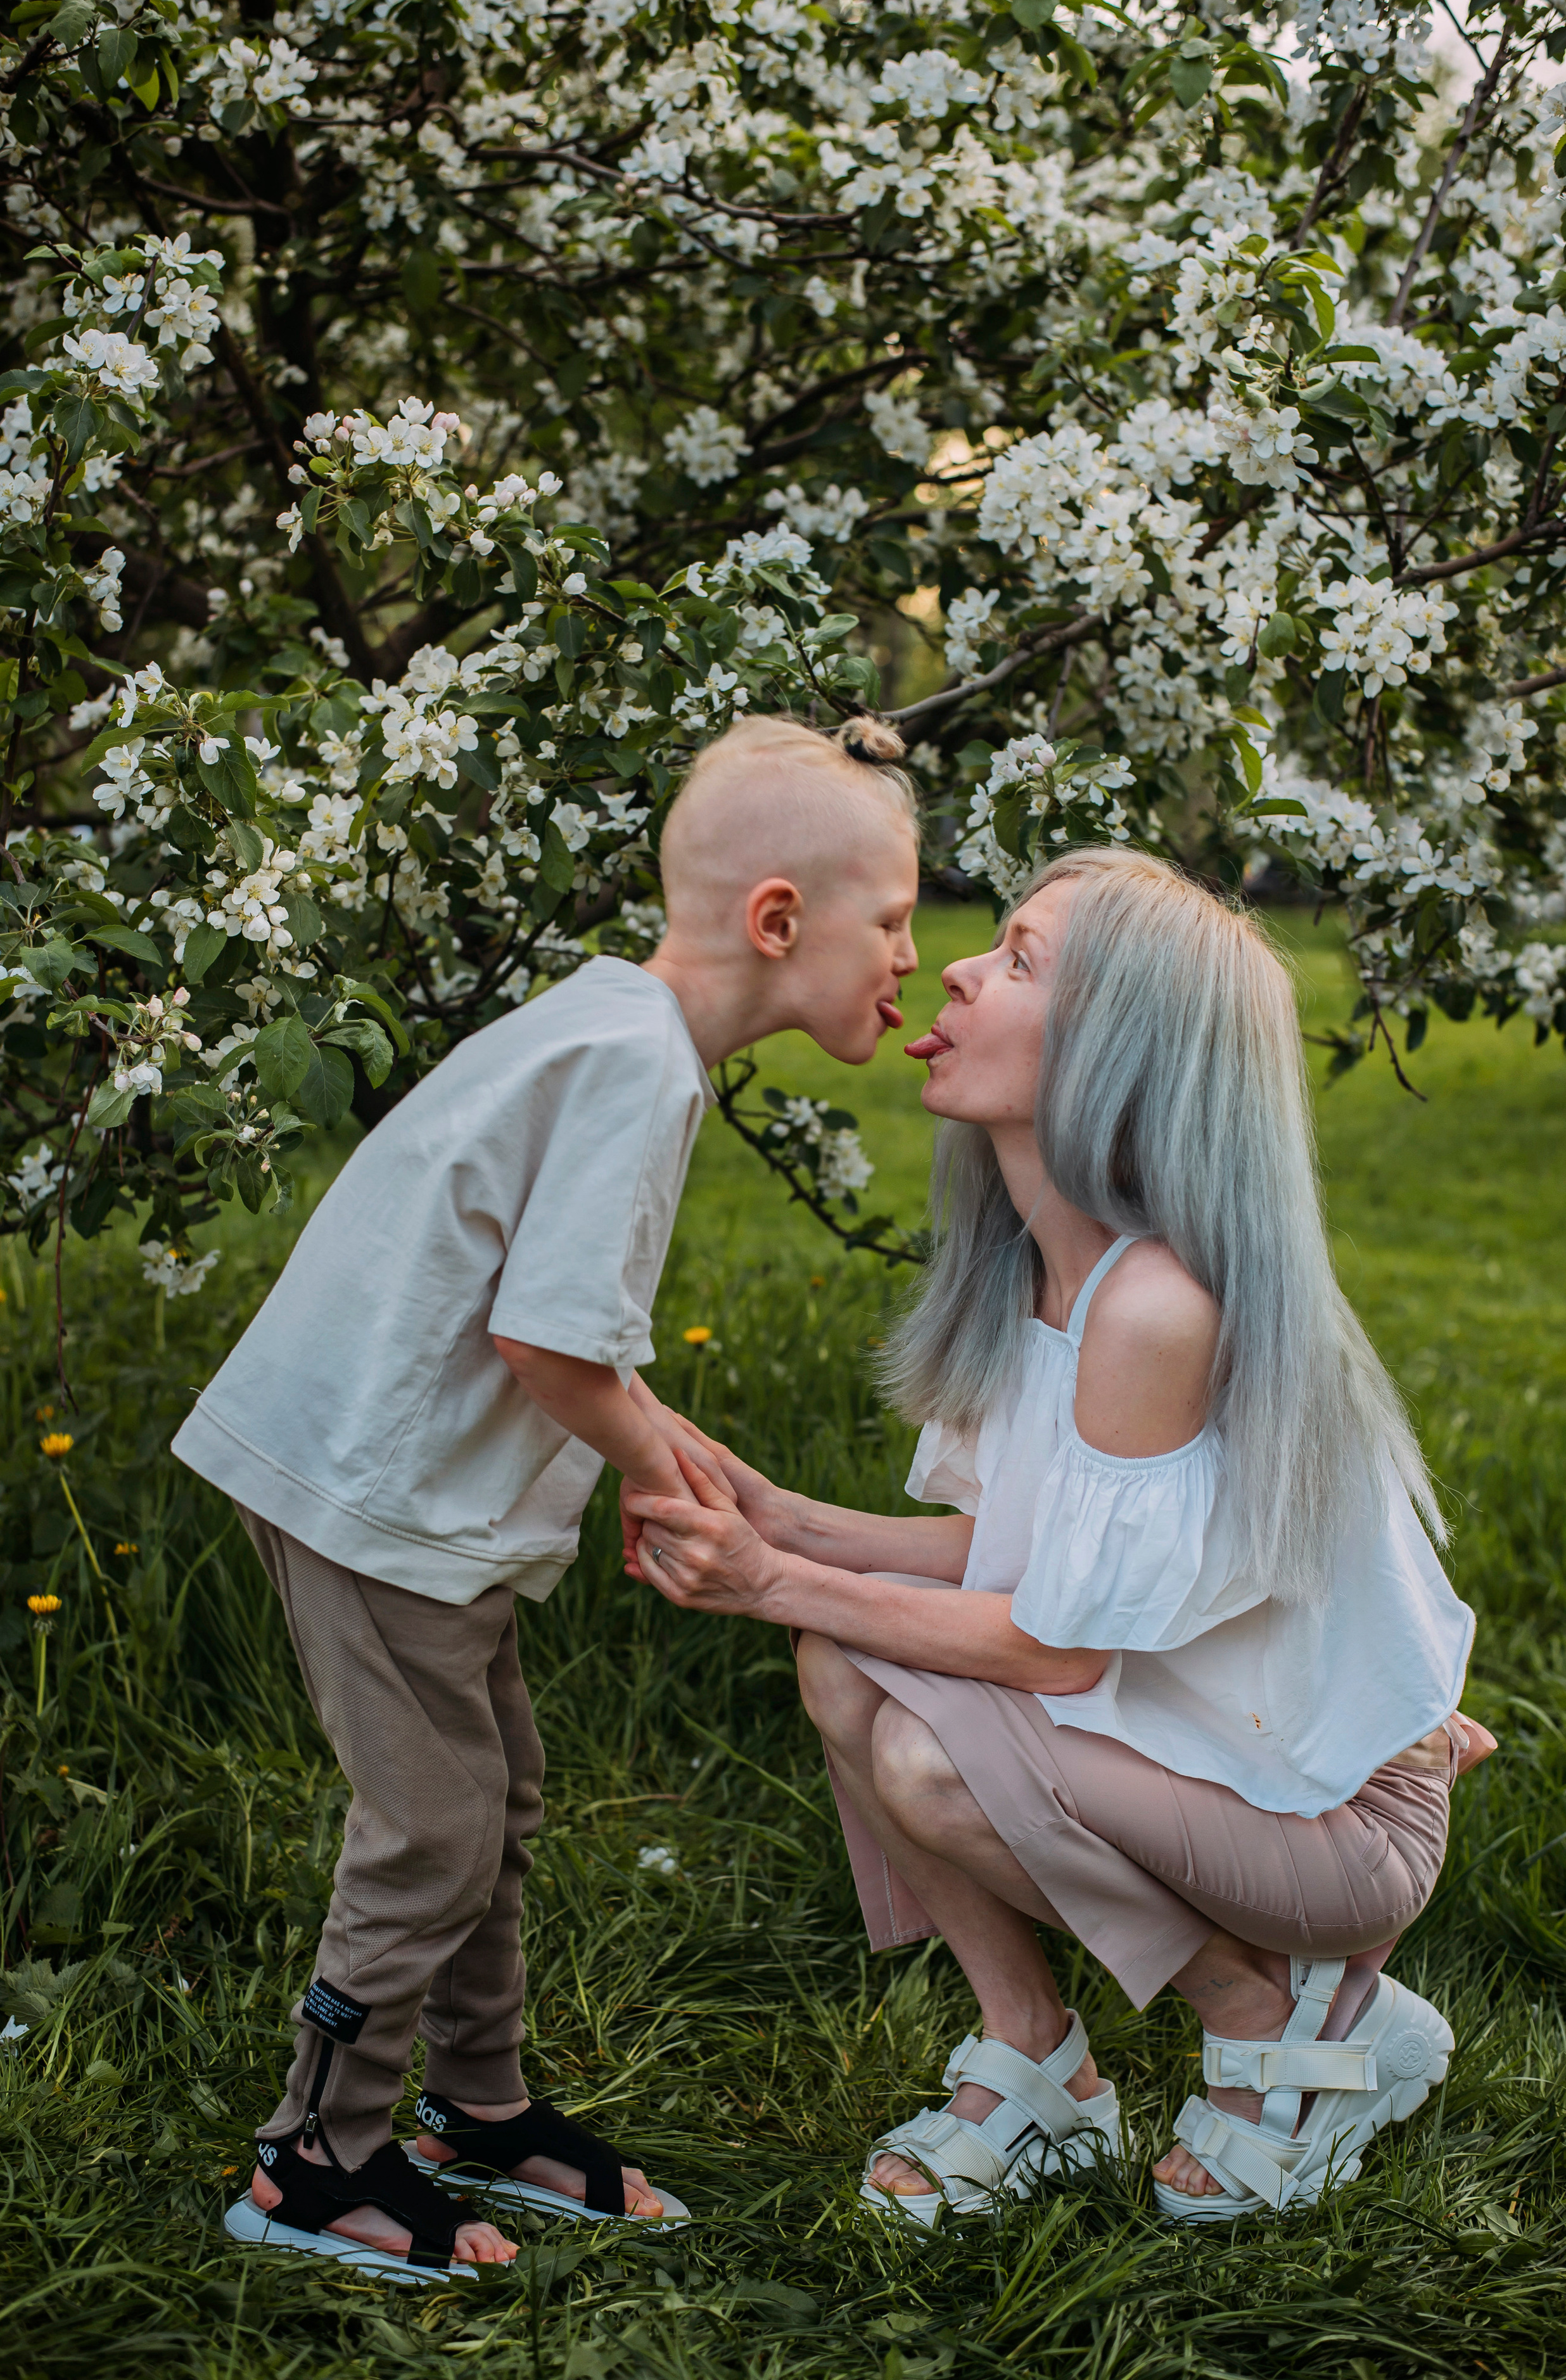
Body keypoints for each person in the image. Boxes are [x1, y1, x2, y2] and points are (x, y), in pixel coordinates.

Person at [623, 847, 1496, 2226]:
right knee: (840, 1663)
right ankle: (1037, 2063)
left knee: (920, 1740)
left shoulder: (1155, 1304)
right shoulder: (1041, 1273)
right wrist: (781, 1523)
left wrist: (775, 1574)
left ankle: (1289, 2032)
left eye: (1020, 959)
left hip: (1330, 1815)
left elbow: (1047, 1649)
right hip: (1211, 1740)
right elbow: (1015, 1569)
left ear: (1122, 1054)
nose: (958, 966)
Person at [174, 713, 921, 2281]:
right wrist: (650, 1465)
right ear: (778, 921)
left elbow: (545, 1323)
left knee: (492, 1802)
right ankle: (315, 2158)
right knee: (435, 1827)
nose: (912, 959)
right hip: (371, 1496)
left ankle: (479, 2109)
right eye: (898, 921)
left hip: (402, 1482)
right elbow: (543, 1339)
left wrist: (666, 1433)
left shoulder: (611, 1027)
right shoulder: (637, 1073)